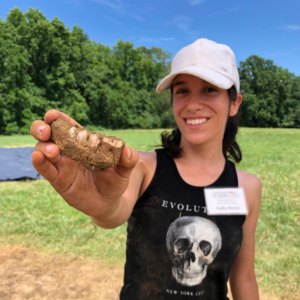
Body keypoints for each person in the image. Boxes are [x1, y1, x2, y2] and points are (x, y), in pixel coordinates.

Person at [30, 38, 261, 300]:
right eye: (182, 91)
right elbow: (113, 211)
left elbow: (244, 277)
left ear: (234, 102)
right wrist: (101, 206)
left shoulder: (248, 188)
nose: (193, 104)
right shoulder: (143, 166)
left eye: (209, 90)